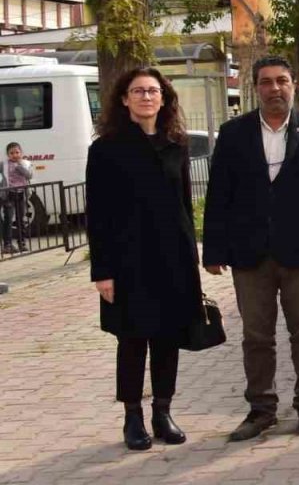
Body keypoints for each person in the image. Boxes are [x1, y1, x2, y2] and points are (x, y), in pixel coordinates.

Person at [202, 55, 299, 441]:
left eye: (282, 80)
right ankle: (261, 409)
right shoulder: (234, 134)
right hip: (250, 256)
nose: (275, 88)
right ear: (255, 88)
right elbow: (219, 196)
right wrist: (213, 250)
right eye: (266, 82)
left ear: (293, 84)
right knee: (256, 336)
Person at [87, 67, 201, 450]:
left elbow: (185, 205)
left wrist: (192, 257)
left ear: (164, 98)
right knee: (133, 340)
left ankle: (163, 413)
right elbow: (97, 214)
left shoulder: (177, 144)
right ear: (124, 99)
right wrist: (102, 272)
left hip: (173, 259)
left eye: (153, 91)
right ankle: (132, 418)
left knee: (168, 338)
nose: (146, 97)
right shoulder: (105, 149)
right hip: (127, 263)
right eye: (138, 91)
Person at [1, 142, 34, 254]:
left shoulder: (26, 163)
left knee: (21, 220)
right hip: (9, 194)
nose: (15, 155)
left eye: (17, 152)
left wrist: (20, 166)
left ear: (21, 153)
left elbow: (29, 175)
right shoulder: (4, 164)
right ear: (8, 154)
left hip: (21, 195)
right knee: (8, 219)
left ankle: (22, 243)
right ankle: (8, 245)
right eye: (12, 153)